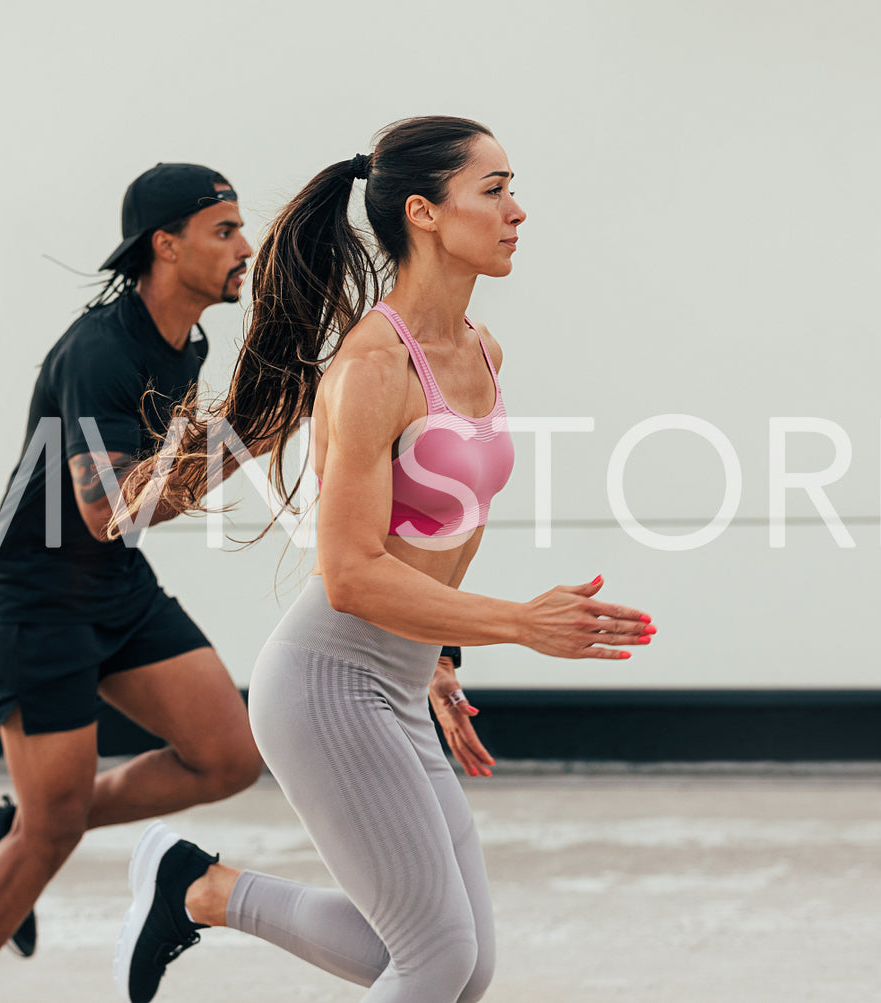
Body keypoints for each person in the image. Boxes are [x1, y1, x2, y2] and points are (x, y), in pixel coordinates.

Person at [109, 118, 656, 1003]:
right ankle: (192, 886)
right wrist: (520, 622)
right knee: (435, 958)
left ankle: (198, 889)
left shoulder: (480, 351)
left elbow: (454, 524)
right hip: (326, 683)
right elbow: (354, 572)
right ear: (424, 212)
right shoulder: (370, 367)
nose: (518, 210)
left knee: (459, 962)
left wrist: (438, 653)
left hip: (395, 683)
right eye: (494, 189)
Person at [0, 163, 267, 1003]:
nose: (245, 247)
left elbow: (140, 501)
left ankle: (4, 824)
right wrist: (248, 435)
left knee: (228, 756)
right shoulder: (99, 351)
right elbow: (111, 509)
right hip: (39, 594)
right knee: (49, 833)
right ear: (163, 246)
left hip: (114, 584)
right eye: (224, 230)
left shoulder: (189, 341)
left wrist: (241, 432)